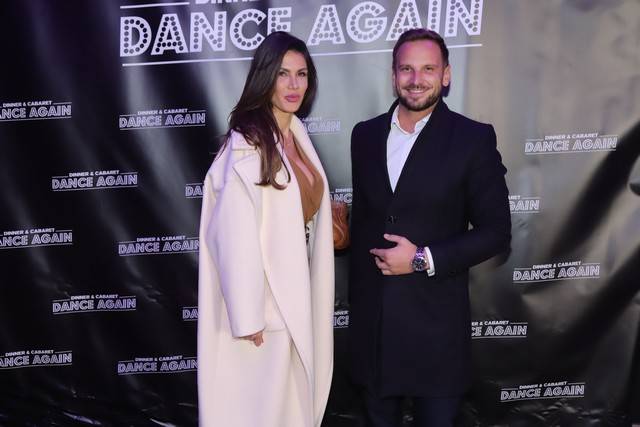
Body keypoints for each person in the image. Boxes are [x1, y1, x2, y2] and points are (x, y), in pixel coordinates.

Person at [348, 29, 511, 426]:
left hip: (435, 333)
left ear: (446, 75)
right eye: (406, 69)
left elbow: (496, 231)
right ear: (393, 75)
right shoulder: (364, 135)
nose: (416, 79)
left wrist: (421, 258)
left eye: (428, 69)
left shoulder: (473, 139)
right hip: (373, 332)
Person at [197, 31, 334, 427]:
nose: (294, 85)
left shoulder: (296, 134)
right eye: (283, 74)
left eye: (302, 74)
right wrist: (248, 315)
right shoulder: (247, 144)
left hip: (296, 292)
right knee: (262, 412)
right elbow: (232, 233)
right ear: (265, 78)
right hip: (265, 310)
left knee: (291, 408)